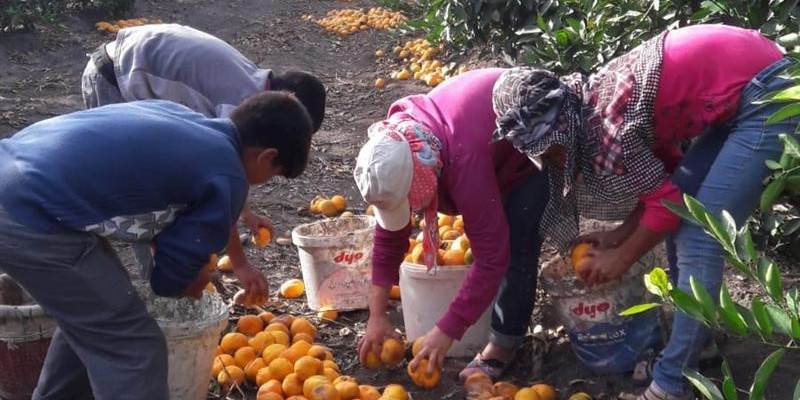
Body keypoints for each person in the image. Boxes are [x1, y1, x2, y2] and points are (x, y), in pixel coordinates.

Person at [491, 24, 798, 400]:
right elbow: (667, 186)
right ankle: (697, 346)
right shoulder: (591, 105)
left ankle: (672, 382)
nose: (554, 159)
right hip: (745, 85)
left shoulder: (606, 126)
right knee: (688, 216)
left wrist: (624, 255)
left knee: (702, 236)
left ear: (562, 127)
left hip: (769, 91)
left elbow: (666, 207)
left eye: (551, 150)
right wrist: (621, 233)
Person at [0, 91, 313, 400]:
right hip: (28, 213)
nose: (264, 182)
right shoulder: (227, 174)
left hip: (15, 174)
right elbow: (168, 280)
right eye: (274, 174)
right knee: (133, 347)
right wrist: (194, 279)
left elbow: (154, 200)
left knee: (99, 315)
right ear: (267, 157)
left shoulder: (184, 121)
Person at [80, 23, 327, 298]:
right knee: (144, 199)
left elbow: (229, 173)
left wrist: (245, 213)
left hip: (131, 64)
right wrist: (241, 264)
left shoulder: (251, 88)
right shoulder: (233, 104)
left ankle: (172, 280)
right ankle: (163, 294)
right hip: (116, 76)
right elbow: (221, 183)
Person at [353, 68, 548, 378]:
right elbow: (390, 237)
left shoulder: (463, 162)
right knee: (496, 232)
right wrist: (376, 316)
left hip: (531, 143)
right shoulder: (400, 142)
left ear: (423, 178)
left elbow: (492, 258)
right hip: (483, 140)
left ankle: (503, 343)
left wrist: (445, 332)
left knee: (516, 243)